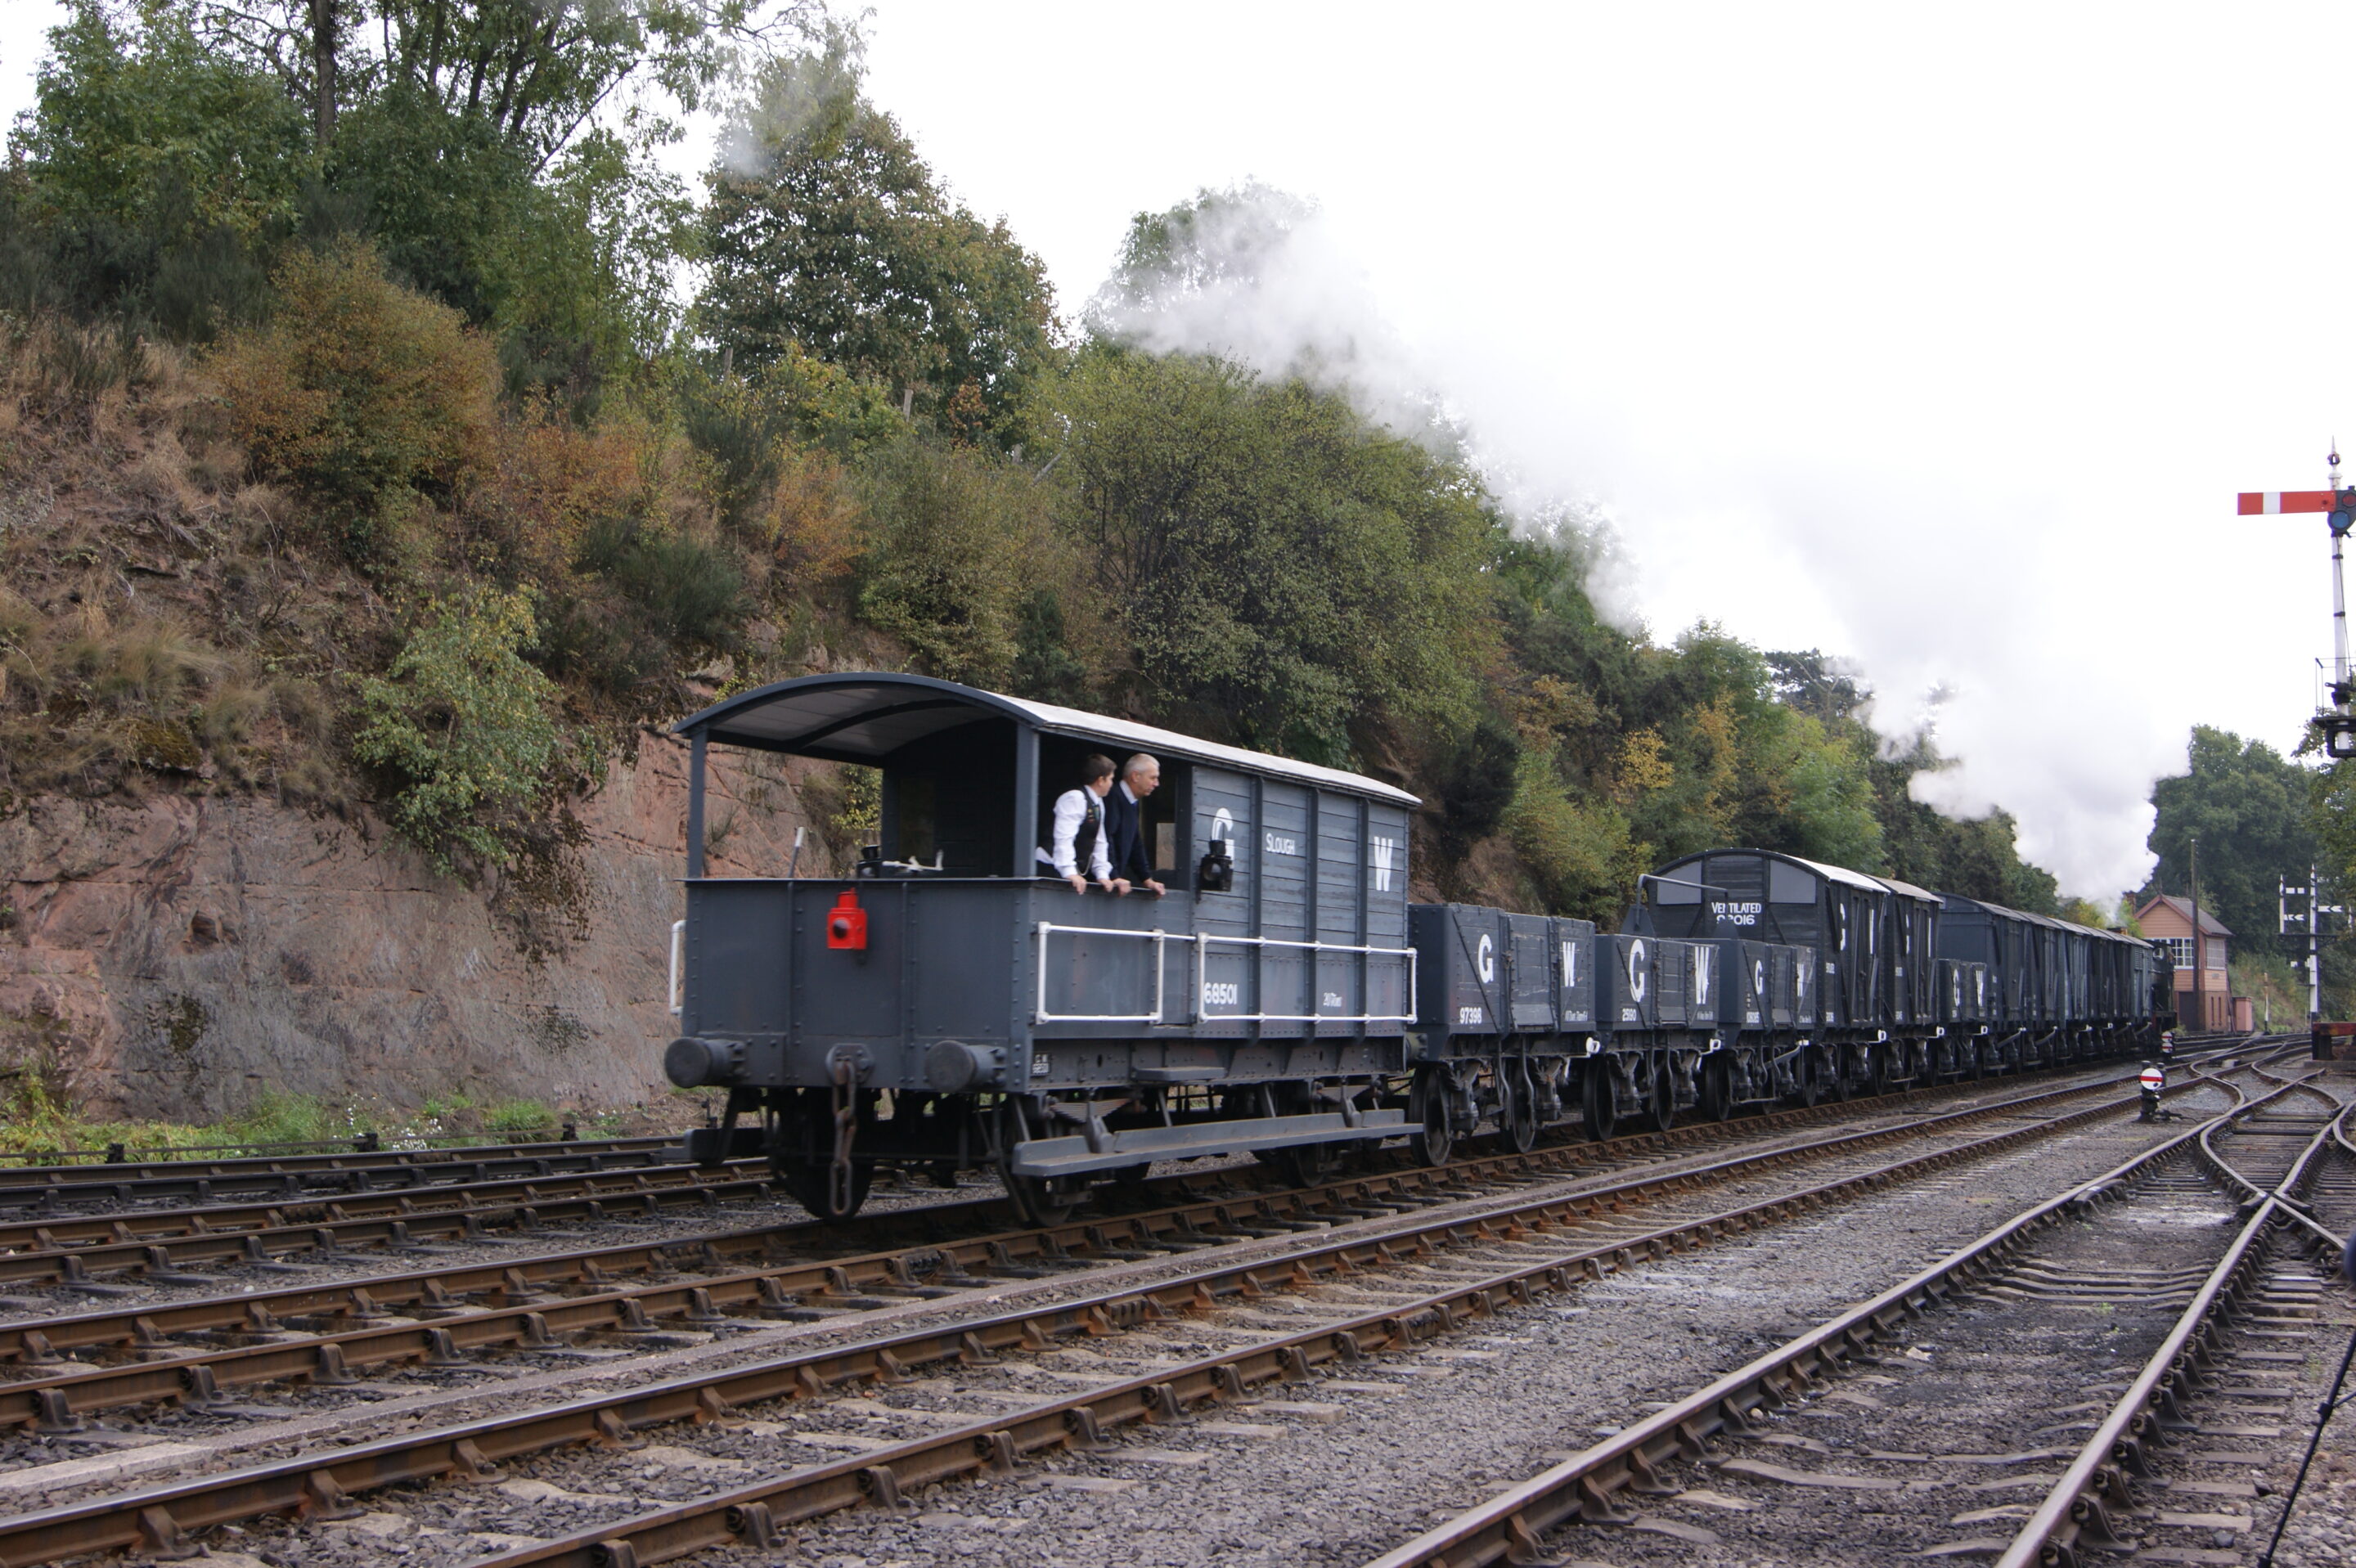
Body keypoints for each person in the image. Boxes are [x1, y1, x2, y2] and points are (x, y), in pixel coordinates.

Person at [1036, 755, 1117, 892]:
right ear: (1101, 780)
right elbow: (1064, 837)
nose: (1112, 783)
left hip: (1068, 869)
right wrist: (1069, 871)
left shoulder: (1098, 803)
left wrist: (1102, 874)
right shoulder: (1075, 798)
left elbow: (1099, 841)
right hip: (1049, 867)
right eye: (1110, 779)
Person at [1104, 753, 1165, 896]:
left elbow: (1135, 843)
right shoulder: (1112, 797)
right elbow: (1105, 838)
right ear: (1136, 776)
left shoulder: (1133, 803)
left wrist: (1147, 880)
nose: (1156, 784)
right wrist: (1113, 876)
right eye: (1153, 778)